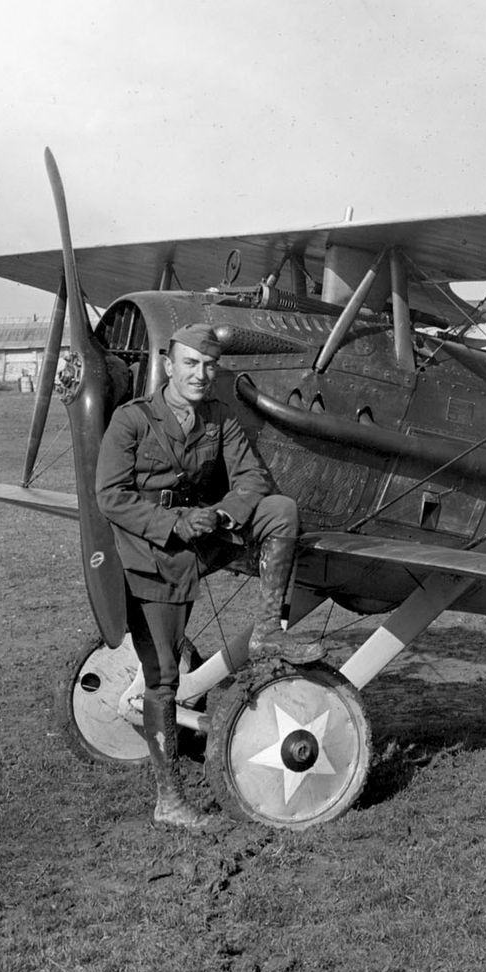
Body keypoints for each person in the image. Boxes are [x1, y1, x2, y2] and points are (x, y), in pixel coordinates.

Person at [95, 323, 320, 829]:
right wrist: (174, 522)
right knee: (163, 680)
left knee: (280, 510)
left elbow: (252, 480)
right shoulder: (131, 421)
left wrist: (219, 516)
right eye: (190, 363)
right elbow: (110, 496)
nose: (200, 374)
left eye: (209, 365)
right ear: (169, 365)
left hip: (207, 532)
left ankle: (265, 633)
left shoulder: (220, 418)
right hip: (152, 550)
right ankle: (169, 799)